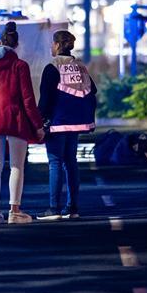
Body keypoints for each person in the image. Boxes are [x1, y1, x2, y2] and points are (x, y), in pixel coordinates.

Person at [0, 21, 45, 225]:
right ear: (16, 45)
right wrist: (38, 126)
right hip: (15, 119)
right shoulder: (19, 65)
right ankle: (15, 211)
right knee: (16, 166)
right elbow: (28, 99)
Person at [37, 29, 97, 220]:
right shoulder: (80, 66)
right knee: (71, 163)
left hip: (58, 122)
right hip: (78, 121)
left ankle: (54, 208)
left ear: (56, 45)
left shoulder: (52, 66)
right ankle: (73, 207)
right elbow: (92, 89)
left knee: (55, 162)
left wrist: (38, 120)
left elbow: (46, 98)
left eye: (52, 44)